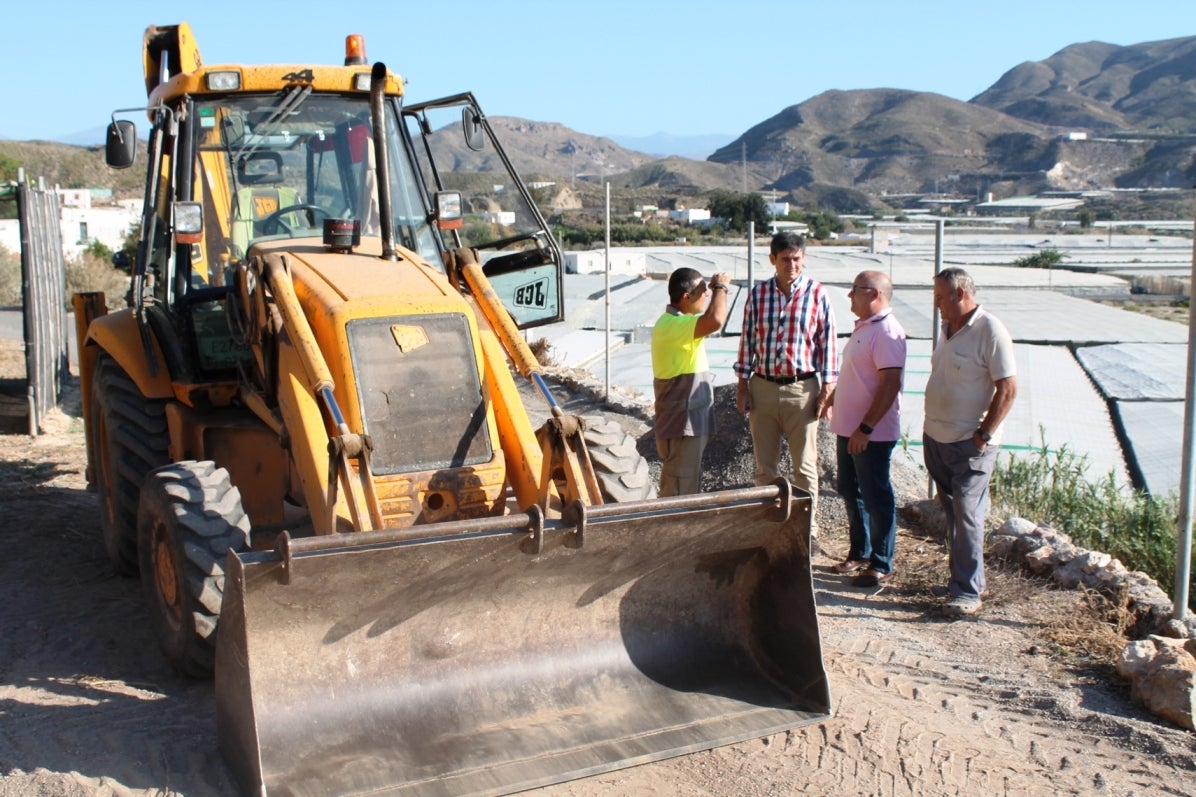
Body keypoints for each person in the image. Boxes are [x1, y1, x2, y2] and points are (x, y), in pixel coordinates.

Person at [923, 267, 1018, 616]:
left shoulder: (990, 330)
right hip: (938, 438)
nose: (936, 304)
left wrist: (983, 435)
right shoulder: (947, 329)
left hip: (969, 443)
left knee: (967, 514)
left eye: (939, 297)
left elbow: (1008, 389)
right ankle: (963, 580)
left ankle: (967, 592)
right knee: (953, 513)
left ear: (959, 294)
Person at [734, 231, 838, 530]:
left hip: (802, 389)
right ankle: (768, 528)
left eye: (796, 259)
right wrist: (743, 385)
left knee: (804, 466)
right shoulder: (758, 295)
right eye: (785, 259)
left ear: (803, 258)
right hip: (763, 388)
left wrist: (827, 389)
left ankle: (807, 529)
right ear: (773, 260)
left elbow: (828, 343)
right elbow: (748, 341)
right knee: (764, 467)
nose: (791, 265)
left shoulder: (817, 294)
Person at [828, 271, 906, 587]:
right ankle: (860, 553)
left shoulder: (886, 331)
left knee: (876, 495)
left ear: (874, 294)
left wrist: (866, 427)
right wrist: (833, 397)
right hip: (850, 429)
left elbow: (890, 385)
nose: (850, 295)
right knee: (851, 490)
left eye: (855, 290)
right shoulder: (866, 327)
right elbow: (858, 374)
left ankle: (881, 563)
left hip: (870, 434)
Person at [651, 267, 732, 496]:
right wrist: (721, 287)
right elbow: (715, 320)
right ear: (687, 297)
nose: (707, 294)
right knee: (679, 491)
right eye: (703, 290)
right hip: (681, 426)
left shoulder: (678, 324)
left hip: (687, 424)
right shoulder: (674, 325)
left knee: (687, 486)